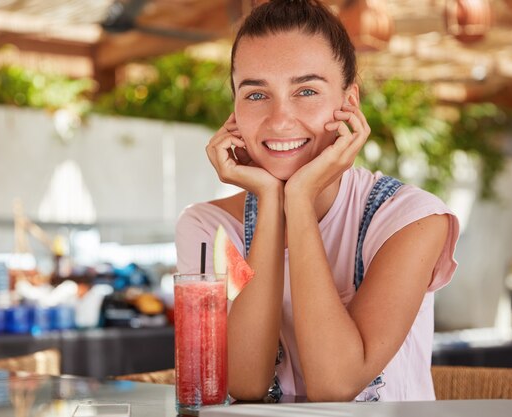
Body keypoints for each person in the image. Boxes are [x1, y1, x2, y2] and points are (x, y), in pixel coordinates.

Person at [175, 0, 459, 403]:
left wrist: (301, 199)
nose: (280, 119)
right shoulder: (211, 228)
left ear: (350, 103)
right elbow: (243, 381)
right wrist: (272, 202)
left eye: (306, 90)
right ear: (234, 109)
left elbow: (336, 384)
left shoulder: (410, 220)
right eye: (256, 95)